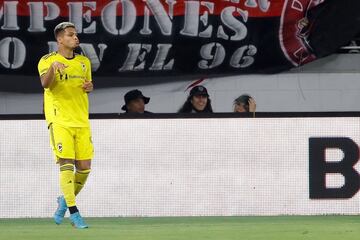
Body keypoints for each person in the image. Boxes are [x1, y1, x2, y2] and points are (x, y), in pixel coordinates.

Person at [37, 22, 93, 229]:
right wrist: (53, 69)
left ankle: (64, 200)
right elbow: (46, 84)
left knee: (85, 168)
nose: (75, 38)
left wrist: (89, 86)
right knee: (66, 164)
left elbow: (87, 85)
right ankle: (73, 212)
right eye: (70, 35)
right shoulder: (48, 60)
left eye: (76, 35)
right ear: (60, 40)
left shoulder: (84, 62)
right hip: (59, 120)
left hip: (81, 120)